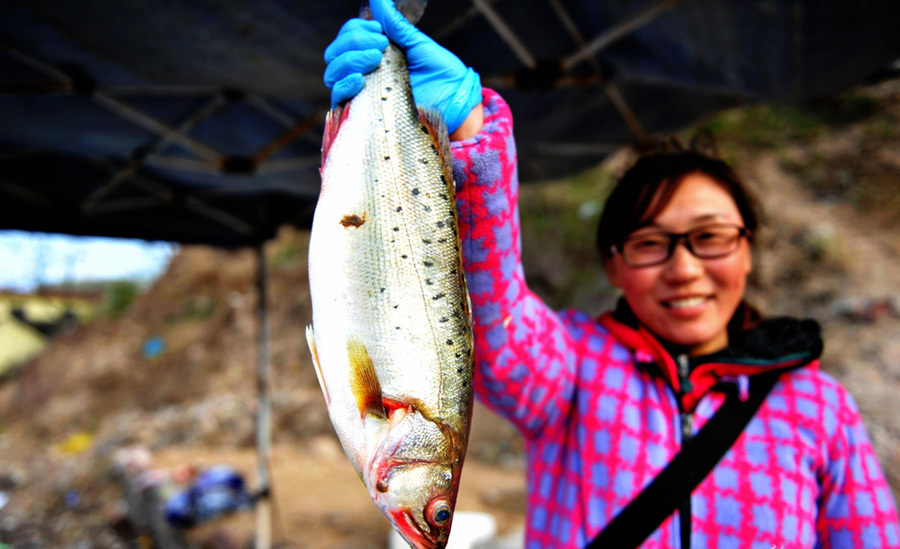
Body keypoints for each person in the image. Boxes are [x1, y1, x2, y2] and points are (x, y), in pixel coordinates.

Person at [323, 1, 900, 547]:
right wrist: (475, 132)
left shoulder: (822, 408)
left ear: (749, 249)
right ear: (614, 264)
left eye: (710, 237)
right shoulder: (571, 372)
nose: (684, 267)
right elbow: (492, 308)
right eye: (651, 243)